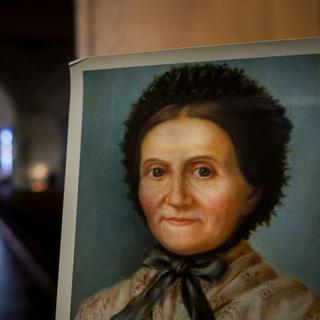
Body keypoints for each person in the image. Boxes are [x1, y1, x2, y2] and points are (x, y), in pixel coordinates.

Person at [75, 64, 320, 319]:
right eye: (157, 172)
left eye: (203, 171)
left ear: (252, 192)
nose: (177, 198)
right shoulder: (101, 310)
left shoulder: (296, 311)